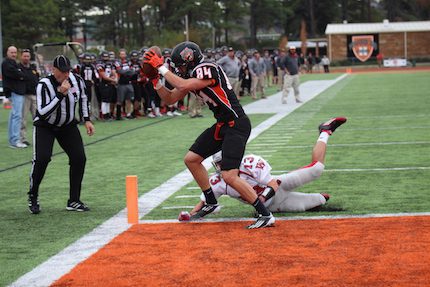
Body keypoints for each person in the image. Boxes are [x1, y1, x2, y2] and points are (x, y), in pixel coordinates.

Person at [143, 41, 275, 229]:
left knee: (229, 176)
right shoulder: (191, 76)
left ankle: (265, 214)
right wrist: (155, 81)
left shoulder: (207, 68)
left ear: (190, 59)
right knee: (191, 159)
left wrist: (161, 68)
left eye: (180, 65)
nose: (179, 69)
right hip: (223, 125)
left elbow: (182, 84)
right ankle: (211, 202)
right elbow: (170, 99)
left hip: (236, 124)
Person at [179, 117, 347, 219]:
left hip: (280, 185)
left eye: (223, 162)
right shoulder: (218, 181)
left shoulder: (250, 163)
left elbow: (273, 183)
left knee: (316, 169)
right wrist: (191, 215)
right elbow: (205, 202)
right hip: (272, 206)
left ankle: (325, 131)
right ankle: (317, 199)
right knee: (321, 199)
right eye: (219, 164)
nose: (222, 167)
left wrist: (261, 200)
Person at [27, 55, 95, 214]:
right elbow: (42, 112)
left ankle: (74, 200)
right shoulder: (44, 84)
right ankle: (33, 195)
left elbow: (84, 99)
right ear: (53, 69)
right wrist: (60, 94)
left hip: (67, 125)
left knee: (79, 158)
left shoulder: (77, 80)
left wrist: (87, 120)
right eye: (61, 72)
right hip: (45, 126)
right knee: (42, 159)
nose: (65, 75)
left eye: (67, 71)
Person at [2, 46, 27, 148]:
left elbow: (20, 74)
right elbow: (18, 74)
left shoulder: (13, 63)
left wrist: (21, 74)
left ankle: (13, 140)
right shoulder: (7, 63)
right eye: (11, 52)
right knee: (16, 116)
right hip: (15, 92)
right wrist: (21, 74)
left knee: (14, 116)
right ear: (7, 52)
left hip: (16, 92)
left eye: (15, 52)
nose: (13, 54)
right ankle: (15, 141)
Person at [19, 49, 39, 146]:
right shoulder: (18, 68)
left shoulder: (33, 67)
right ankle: (23, 139)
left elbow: (37, 78)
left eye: (28, 56)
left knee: (38, 117)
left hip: (34, 95)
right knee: (23, 118)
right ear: (21, 57)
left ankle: (39, 136)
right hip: (25, 96)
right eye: (24, 56)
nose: (26, 58)